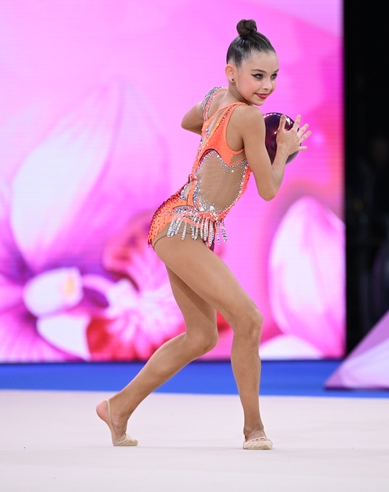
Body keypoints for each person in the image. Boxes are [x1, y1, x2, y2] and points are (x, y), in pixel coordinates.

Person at [95, 19, 310, 451]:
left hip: (177, 223)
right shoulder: (249, 117)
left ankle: (118, 407)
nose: (267, 85)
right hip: (183, 228)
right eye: (257, 76)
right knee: (248, 320)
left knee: (202, 337)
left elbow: (188, 121)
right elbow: (268, 191)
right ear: (232, 72)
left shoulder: (216, 99)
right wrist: (280, 152)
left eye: (273, 76)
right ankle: (254, 429)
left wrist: (228, 146)